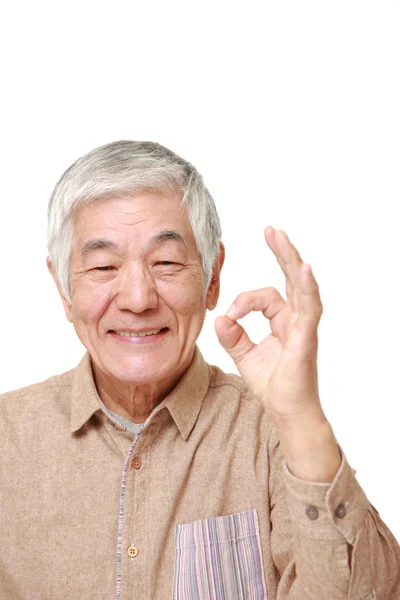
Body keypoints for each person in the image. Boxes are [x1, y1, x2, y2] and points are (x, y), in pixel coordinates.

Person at [1, 141, 399, 600]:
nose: (138, 298)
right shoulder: (7, 437)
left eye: (166, 263)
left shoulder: (270, 434)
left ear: (212, 278)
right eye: (104, 266)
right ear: (63, 288)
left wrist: (301, 419)